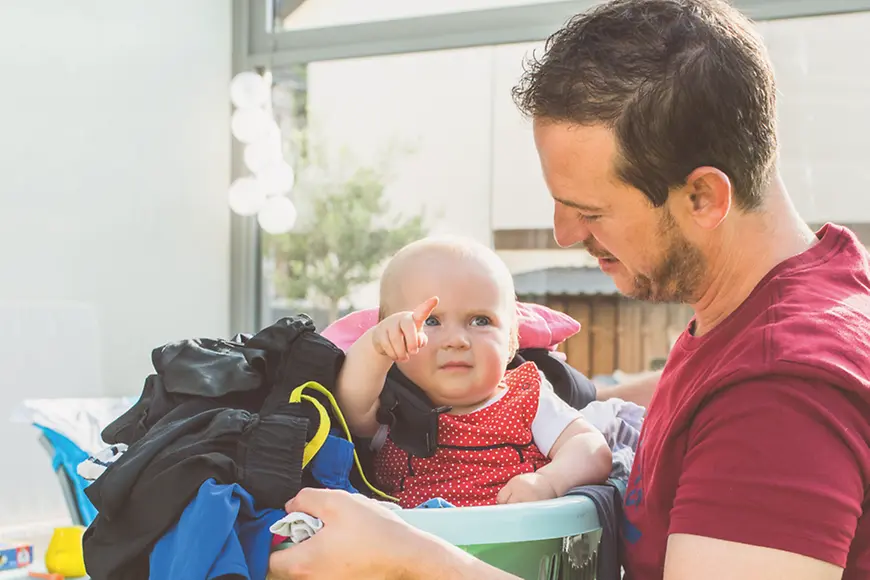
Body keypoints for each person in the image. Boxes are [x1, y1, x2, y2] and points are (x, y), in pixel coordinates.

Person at [269, 0, 870, 578]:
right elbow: (703, 405)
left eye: (591, 211)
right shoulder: (786, 304)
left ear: (703, 197)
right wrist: (574, 393)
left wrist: (410, 560)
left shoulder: (779, 393)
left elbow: (752, 413)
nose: (565, 234)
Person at [336, 236, 612, 508]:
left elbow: (590, 446)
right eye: (430, 321)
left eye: (480, 321)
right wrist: (375, 347)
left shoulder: (526, 397)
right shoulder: (391, 405)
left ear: (511, 340)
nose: (456, 340)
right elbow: (350, 405)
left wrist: (549, 481)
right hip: (407, 537)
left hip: (511, 535)